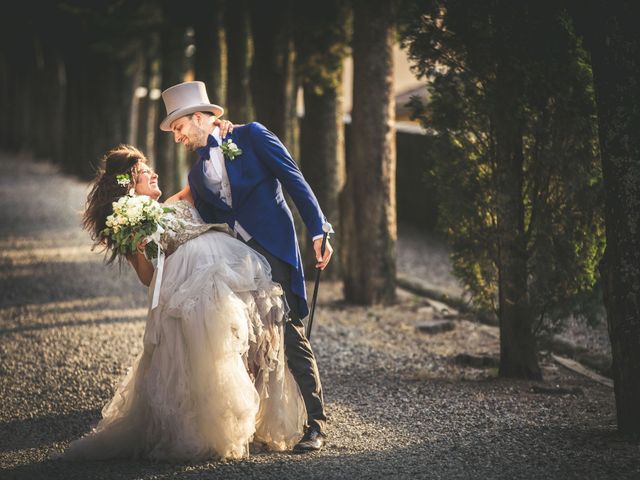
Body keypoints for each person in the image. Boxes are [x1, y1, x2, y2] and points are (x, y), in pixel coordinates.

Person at [61, 145, 305, 461]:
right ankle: (218, 426)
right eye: (146, 172)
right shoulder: (131, 224)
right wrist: (138, 245)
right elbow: (148, 278)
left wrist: (221, 143)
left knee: (257, 338)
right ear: (131, 183)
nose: (155, 173)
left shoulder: (173, 202)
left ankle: (249, 420)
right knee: (212, 357)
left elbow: (204, 181)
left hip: (230, 267)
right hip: (191, 288)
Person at [159, 81, 332, 453]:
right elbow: (195, 211)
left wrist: (318, 228)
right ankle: (251, 421)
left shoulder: (252, 137)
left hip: (273, 248)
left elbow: (293, 178)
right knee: (245, 337)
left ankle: (316, 424)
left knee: (288, 331)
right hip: (236, 259)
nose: (178, 137)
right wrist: (149, 220)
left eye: (179, 127)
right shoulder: (197, 172)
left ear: (200, 117)